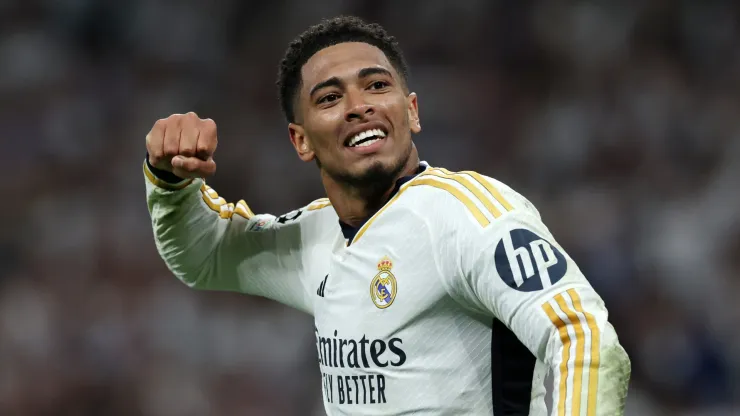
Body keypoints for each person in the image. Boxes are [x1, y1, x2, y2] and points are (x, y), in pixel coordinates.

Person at [143, 15, 630, 415]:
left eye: (376, 86)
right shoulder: (316, 237)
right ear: (301, 140)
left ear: (412, 111)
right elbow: (206, 253)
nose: (359, 107)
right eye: (330, 98)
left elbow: (581, 336)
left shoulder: (466, 216)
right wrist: (171, 181)